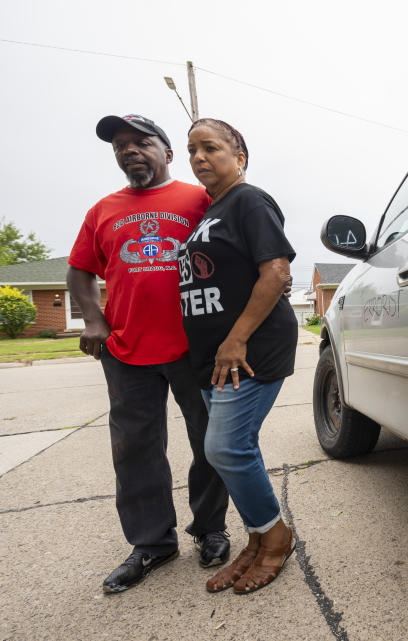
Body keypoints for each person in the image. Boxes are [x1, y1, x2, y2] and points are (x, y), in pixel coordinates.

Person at [68, 114, 231, 594]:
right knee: (136, 451)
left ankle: (210, 529)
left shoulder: (200, 199)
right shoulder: (102, 210)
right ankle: (151, 544)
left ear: (168, 152)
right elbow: (79, 271)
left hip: (194, 347)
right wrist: (94, 321)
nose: (130, 150)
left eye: (142, 142)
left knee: (209, 442)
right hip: (126, 350)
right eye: (121, 145)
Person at [178, 118, 298, 594]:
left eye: (210, 147)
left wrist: (236, 338)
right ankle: (256, 538)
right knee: (233, 451)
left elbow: (276, 271)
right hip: (213, 356)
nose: (199, 157)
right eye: (192, 150)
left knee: (225, 448)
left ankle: (275, 537)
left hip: (250, 349)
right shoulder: (210, 212)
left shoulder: (248, 200)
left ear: (240, 157)